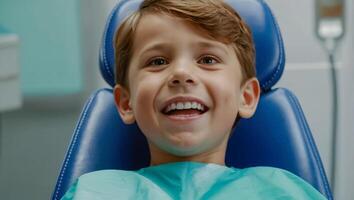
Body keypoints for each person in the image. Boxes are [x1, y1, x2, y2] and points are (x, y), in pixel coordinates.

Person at [61, 0, 327, 199]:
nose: (181, 73)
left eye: (208, 60)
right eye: (158, 61)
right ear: (125, 103)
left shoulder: (285, 192)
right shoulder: (94, 192)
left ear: (246, 97)